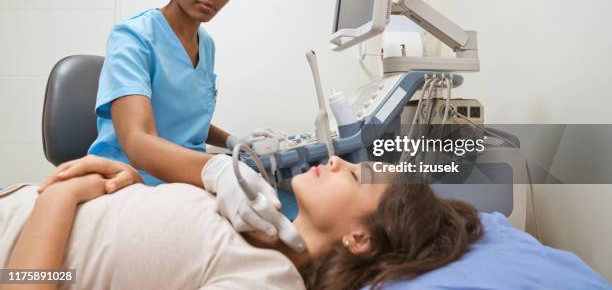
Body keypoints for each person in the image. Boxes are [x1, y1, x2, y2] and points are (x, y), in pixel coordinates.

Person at [85, 0, 282, 235]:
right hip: (132, 184)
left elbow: (185, 114)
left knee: (278, 208)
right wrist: (219, 169)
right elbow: (139, 141)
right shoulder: (133, 37)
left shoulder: (206, 45)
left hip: (186, 185)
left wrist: (233, 140)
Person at [0, 155, 482, 290]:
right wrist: (129, 191)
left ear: (359, 237)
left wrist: (62, 200)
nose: (337, 161)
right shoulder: (262, 231)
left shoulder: (268, 282)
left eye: (358, 178)